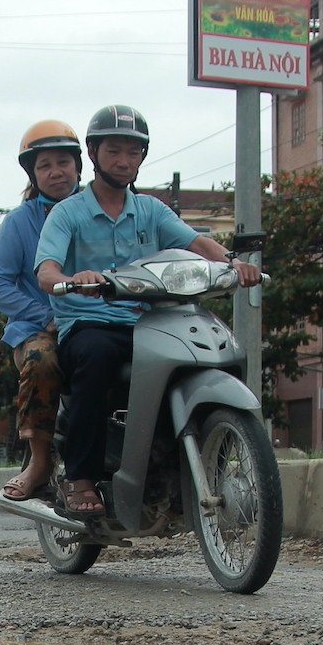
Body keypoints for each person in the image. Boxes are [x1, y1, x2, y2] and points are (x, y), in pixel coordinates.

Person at [34, 104, 260, 520]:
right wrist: (67, 278)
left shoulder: (152, 210)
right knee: (96, 357)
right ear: (94, 153)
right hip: (90, 325)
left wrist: (234, 263)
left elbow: (197, 244)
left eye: (133, 152)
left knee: (201, 352)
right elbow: (46, 270)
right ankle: (80, 476)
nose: (124, 161)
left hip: (149, 325)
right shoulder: (68, 213)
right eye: (114, 151)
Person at [0, 119, 84, 501]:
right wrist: (46, 316)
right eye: (45, 165)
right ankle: (39, 462)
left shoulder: (99, 211)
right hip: (39, 330)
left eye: (63, 162)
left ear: (79, 166)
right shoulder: (20, 222)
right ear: (33, 173)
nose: (56, 172)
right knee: (43, 360)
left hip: (96, 322)